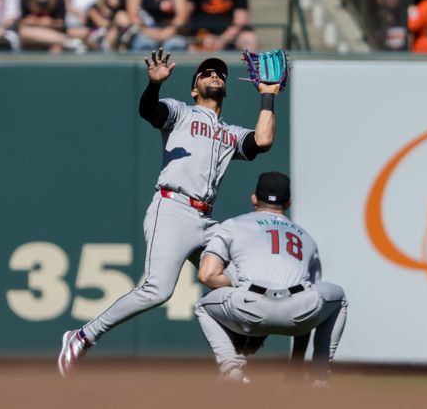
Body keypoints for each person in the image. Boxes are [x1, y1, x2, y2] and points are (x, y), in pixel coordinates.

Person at [58, 49, 281, 377]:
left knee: (244, 280)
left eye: (219, 73)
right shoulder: (182, 112)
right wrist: (153, 85)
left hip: (206, 220)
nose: (214, 75)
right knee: (157, 289)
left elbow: (262, 141)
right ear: (194, 88)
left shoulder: (229, 133)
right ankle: (81, 337)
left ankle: (232, 361)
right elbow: (150, 110)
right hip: (173, 208)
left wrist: (267, 96)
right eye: (205, 73)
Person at [195, 171, 348, 384]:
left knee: (202, 305)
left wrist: (235, 284)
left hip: (250, 306)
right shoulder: (306, 238)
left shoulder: (233, 225)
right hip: (299, 312)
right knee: (336, 299)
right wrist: (295, 365)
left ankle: (231, 368)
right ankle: (319, 379)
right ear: (289, 202)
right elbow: (309, 293)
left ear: (254, 198)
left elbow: (207, 275)